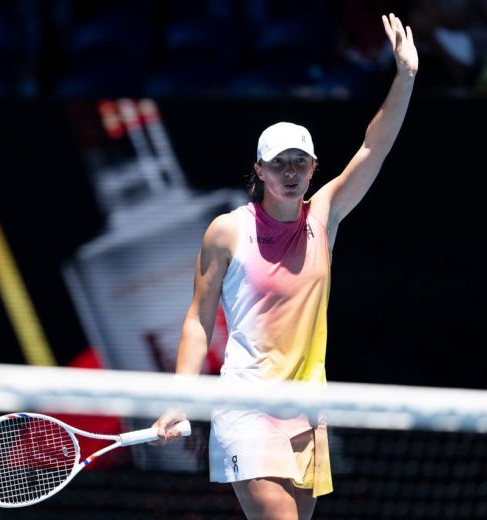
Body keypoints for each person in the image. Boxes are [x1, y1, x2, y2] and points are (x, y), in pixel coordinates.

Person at [153, 13, 418, 520]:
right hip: (246, 409)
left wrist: (404, 76)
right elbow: (199, 319)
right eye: (279, 162)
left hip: (307, 412)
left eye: (300, 161)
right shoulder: (228, 231)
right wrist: (180, 397)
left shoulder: (324, 217)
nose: (290, 171)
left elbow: (373, 146)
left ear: (314, 168)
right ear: (259, 170)